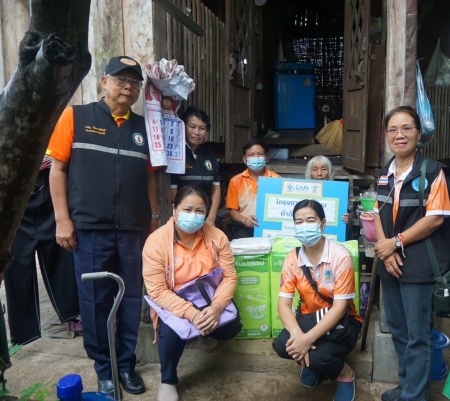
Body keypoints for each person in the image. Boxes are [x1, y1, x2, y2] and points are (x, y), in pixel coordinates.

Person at [47, 55, 159, 397]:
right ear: (104, 82)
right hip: (89, 230)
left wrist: (153, 220)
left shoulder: (144, 128)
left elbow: (150, 178)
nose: (128, 86)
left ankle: (125, 365)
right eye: (121, 79)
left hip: (133, 230)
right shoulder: (75, 117)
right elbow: (57, 170)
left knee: (130, 297)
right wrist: (62, 220)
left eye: (134, 82)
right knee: (94, 301)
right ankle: (104, 368)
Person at [373, 106, 450, 401]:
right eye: (393, 129)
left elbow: (435, 218)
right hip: (390, 264)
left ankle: (415, 396)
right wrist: (385, 250)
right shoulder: (385, 174)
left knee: (418, 336)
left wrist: (395, 243)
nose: (400, 135)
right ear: (386, 135)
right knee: (399, 330)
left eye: (407, 128)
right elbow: (376, 213)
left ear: (419, 133)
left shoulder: (432, 171)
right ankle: (407, 387)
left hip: (419, 266)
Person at [143, 185, 240, 401]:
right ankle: (167, 380)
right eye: (187, 209)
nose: (193, 216)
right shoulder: (156, 242)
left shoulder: (217, 237)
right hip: (173, 300)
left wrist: (216, 307)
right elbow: (157, 291)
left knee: (231, 326)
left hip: (207, 297)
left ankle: (203, 333)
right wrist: (192, 314)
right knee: (170, 333)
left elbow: (229, 277)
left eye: (199, 211)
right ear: (174, 210)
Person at [273, 199, 362, 401]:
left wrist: (307, 340)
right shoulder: (292, 259)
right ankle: (310, 364)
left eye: (310, 220)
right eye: (299, 222)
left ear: (322, 224)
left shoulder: (340, 256)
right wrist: (298, 335)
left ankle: (344, 374)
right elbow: (284, 304)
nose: (304, 226)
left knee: (318, 357)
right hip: (308, 318)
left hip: (342, 322)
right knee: (282, 346)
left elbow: (339, 308)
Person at [3, 156, 79, 345]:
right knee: (16, 263)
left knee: (61, 252)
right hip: (10, 189)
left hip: (47, 180)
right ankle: (23, 332)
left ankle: (71, 313)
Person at [170, 107, 221, 226]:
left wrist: (211, 217)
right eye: (192, 127)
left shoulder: (209, 153)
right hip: (184, 218)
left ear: (206, 132)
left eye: (202, 128)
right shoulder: (176, 153)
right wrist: (188, 214)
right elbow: (172, 191)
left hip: (206, 217)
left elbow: (216, 188)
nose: (197, 132)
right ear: (183, 127)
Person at [225, 139, 280, 239]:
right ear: (244, 159)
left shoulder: (276, 179)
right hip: (243, 228)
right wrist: (244, 220)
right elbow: (232, 211)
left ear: (266, 158)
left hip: (270, 228)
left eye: (260, 154)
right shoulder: (235, 181)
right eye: (251, 155)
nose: (256, 158)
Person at [304, 155, 350, 225]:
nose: (319, 174)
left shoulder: (337, 191)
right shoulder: (302, 190)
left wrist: (346, 219)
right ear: (310, 173)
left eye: (323, 169)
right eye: (315, 170)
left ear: (329, 172)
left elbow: (341, 214)